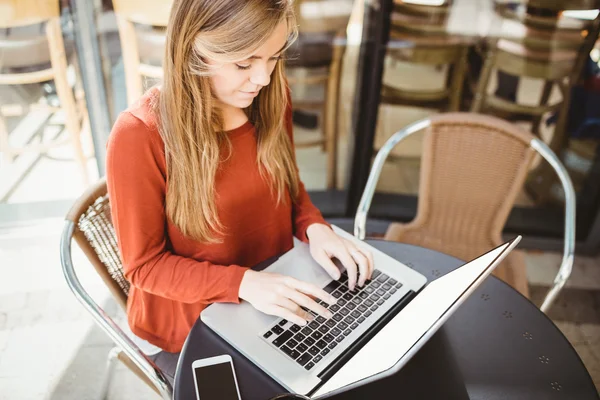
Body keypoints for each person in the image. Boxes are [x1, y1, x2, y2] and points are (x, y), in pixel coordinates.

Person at [106, 0, 373, 385]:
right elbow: (145, 266)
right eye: (244, 63)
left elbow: (287, 182)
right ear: (193, 50)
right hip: (190, 327)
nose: (263, 77)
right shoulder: (139, 134)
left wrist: (315, 226)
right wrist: (244, 283)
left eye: (274, 57)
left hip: (272, 292)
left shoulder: (269, 96)